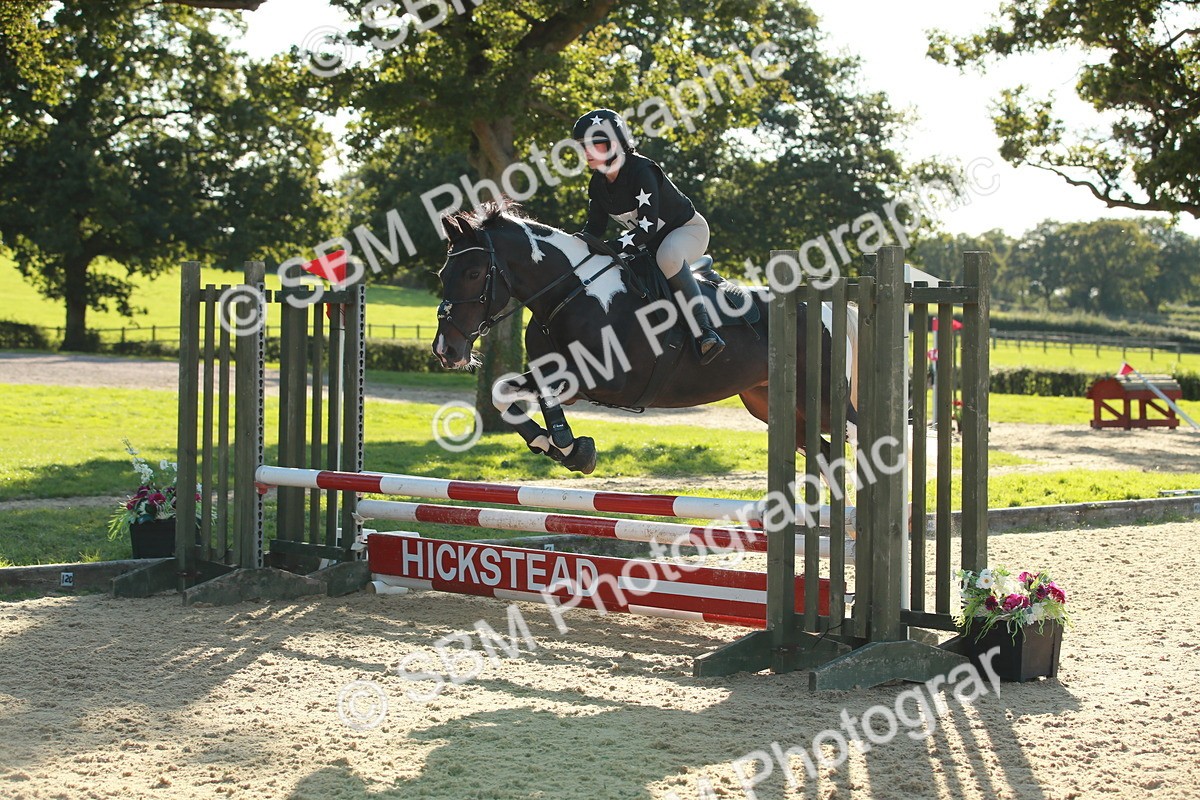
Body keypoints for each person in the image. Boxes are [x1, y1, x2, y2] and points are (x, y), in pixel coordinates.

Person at [572, 108, 725, 364]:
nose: (587, 152)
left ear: (614, 143)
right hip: (648, 243)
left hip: (688, 231)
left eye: (594, 144)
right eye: (583, 146)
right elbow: (594, 229)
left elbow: (647, 229)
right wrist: (572, 246)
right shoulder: (597, 183)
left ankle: (705, 331)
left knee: (667, 256)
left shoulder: (642, 170)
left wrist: (611, 246)